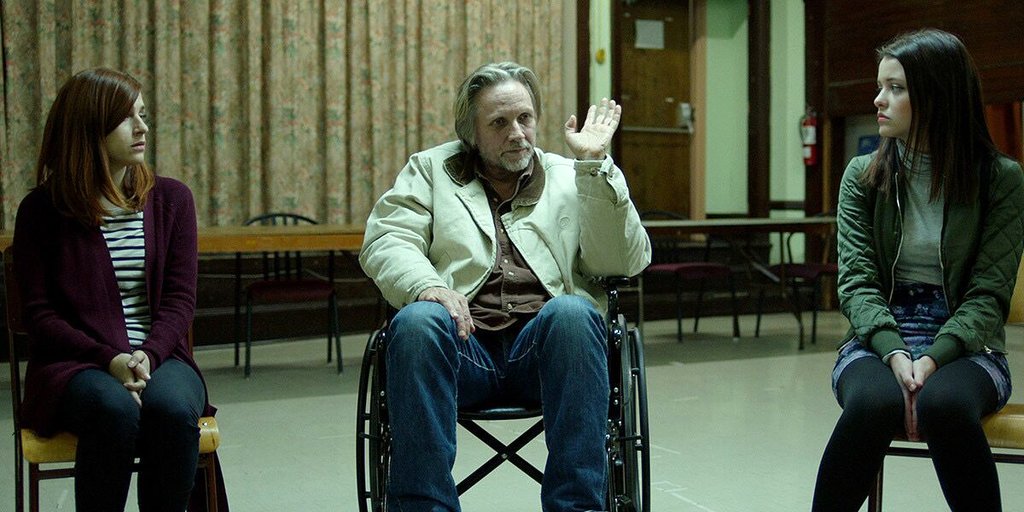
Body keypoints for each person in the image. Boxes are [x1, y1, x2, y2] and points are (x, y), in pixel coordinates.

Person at [359, 61, 651, 512]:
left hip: (549, 355)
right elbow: (388, 238)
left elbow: (623, 261)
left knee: (574, 312)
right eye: (499, 123)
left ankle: (576, 507)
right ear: (471, 133)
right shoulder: (430, 170)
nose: (517, 133)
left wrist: (594, 168)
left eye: (525, 118)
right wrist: (427, 286)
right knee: (417, 321)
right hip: (461, 350)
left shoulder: (573, 174)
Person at [812, 29, 1024, 511]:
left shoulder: (1001, 179)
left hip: (969, 342)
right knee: (873, 403)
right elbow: (857, 283)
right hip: (877, 335)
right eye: (880, 86)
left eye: (896, 88)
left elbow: (990, 293)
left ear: (938, 96)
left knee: (944, 404)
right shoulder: (861, 176)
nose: (878, 99)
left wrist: (932, 358)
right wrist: (894, 351)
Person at [12, 68, 217, 511]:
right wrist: (110, 359)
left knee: (171, 409)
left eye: (143, 115)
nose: (142, 128)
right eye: (127, 118)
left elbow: (180, 301)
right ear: (89, 128)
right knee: (113, 410)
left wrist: (147, 356)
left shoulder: (172, 200)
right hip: (76, 364)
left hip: (159, 356)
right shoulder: (41, 211)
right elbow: (40, 315)